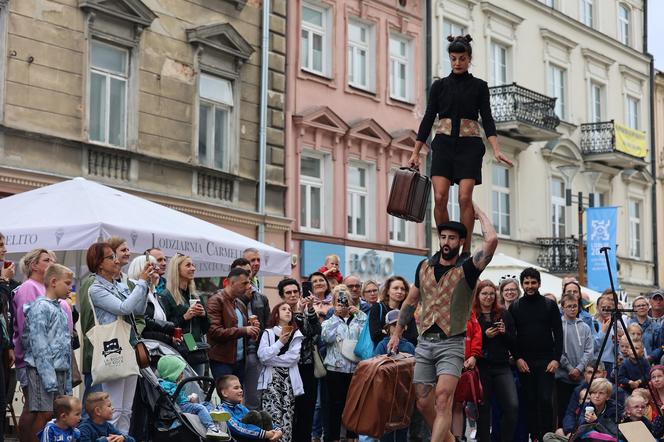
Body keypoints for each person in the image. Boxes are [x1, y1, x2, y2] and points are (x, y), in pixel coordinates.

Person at [388, 202, 497, 442]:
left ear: (460, 242)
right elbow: (410, 301)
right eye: (443, 237)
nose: (446, 242)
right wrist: (397, 332)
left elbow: (491, 242)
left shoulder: (467, 267)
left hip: (452, 343)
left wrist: (478, 213)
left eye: (452, 238)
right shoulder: (424, 266)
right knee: (423, 402)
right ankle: (448, 439)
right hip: (425, 342)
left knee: (443, 399)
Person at [409, 34, 511, 256]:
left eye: (462, 58)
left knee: (465, 198)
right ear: (449, 58)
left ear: (469, 58)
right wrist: (415, 152)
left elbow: (488, 118)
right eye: (453, 58)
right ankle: (445, 245)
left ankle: (464, 248)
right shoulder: (439, 86)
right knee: (439, 197)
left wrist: (496, 149)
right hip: (444, 144)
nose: (457, 63)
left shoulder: (479, 87)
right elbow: (427, 119)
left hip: (470, 146)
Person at [88, 242, 152, 433]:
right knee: (113, 408)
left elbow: (138, 309)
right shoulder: (96, 289)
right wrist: (140, 282)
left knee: (126, 409)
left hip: (129, 345)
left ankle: (122, 437)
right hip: (113, 346)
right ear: (99, 263)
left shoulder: (120, 285)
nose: (116, 260)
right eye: (110, 257)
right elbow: (123, 308)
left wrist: (145, 284)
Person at [14, 249, 73, 442]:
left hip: (59, 368)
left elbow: (64, 343)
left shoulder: (59, 307)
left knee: (53, 413)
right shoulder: (37, 303)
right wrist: (48, 377)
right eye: (67, 284)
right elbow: (37, 342)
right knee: (42, 413)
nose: (70, 289)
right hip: (41, 370)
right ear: (54, 282)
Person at [508, 267, 563, 441]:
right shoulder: (515, 307)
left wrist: (556, 359)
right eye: (526, 283)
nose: (530, 286)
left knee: (546, 400)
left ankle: (547, 436)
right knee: (530, 400)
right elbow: (511, 337)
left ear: (539, 283)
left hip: (547, 361)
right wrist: (518, 358)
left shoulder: (549, 305)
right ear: (522, 284)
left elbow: (559, 333)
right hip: (525, 362)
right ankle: (535, 436)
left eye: (533, 282)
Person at [472, 280, 518, 442]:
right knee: (483, 409)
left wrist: (504, 333)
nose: (488, 297)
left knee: (512, 406)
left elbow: (514, 342)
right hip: (481, 366)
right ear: (477, 295)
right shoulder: (473, 315)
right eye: (484, 293)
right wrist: (485, 336)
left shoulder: (503, 314)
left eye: (492, 293)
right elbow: (468, 342)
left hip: (502, 366)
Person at [276, 279, 321, 442]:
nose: (293, 295)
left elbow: (315, 332)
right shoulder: (280, 313)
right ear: (282, 295)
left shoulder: (307, 311)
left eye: (295, 291)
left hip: (307, 367)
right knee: (288, 411)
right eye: (288, 292)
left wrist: (308, 309)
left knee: (307, 410)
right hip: (287, 369)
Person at [321, 284, 368, 442]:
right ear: (334, 303)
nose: (343, 303)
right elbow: (326, 338)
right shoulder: (329, 321)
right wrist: (335, 317)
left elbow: (367, 336)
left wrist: (360, 315)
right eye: (339, 301)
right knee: (334, 406)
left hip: (355, 369)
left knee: (354, 406)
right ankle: (333, 437)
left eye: (346, 300)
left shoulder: (359, 319)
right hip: (335, 370)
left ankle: (352, 437)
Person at [257, 303, 304, 442]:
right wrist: (280, 343)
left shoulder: (296, 333)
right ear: (276, 314)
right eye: (284, 309)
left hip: (289, 382)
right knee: (271, 416)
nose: (288, 311)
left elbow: (293, 358)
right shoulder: (268, 332)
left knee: (287, 417)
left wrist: (272, 359)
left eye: (290, 310)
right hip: (271, 381)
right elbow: (262, 356)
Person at [230, 257, 271, 410]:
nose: (246, 277)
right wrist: (243, 299)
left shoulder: (260, 297)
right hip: (234, 352)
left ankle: (252, 430)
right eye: (241, 273)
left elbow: (268, 324)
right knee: (233, 397)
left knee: (254, 397)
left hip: (254, 351)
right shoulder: (227, 298)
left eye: (248, 272)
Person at [207, 267, 259, 383]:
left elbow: (242, 332)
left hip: (240, 361)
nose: (248, 286)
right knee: (227, 397)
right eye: (244, 283)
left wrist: (252, 332)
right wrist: (245, 330)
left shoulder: (239, 303)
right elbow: (215, 332)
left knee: (238, 397)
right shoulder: (216, 300)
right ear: (231, 283)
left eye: (249, 282)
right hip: (222, 361)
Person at [156, 355, 227, 439]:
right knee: (199, 408)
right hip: (179, 407)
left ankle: (212, 414)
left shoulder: (174, 383)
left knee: (206, 404)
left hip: (184, 403)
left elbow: (181, 396)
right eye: (180, 372)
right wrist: (180, 389)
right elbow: (173, 396)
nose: (182, 375)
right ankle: (211, 428)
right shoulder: (164, 384)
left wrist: (189, 398)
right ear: (172, 373)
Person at [161, 253, 209, 376]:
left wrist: (203, 315)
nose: (193, 268)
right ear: (177, 269)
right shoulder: (166, 296)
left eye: (193, 265)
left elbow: (205, 329)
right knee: (184, 387)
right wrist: (184, 317)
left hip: (195, 347)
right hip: (177, 349)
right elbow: (164, 326)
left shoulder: (195, 296)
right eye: (188, 265)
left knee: (197, 386)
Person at [555, 294, 593, 427]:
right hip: (563, 377)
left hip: (581, 377)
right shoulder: (557, 326)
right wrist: (570, 368)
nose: (572, 309)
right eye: (569, 306)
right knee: (563, 409)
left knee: (581, 409)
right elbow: (556, 350)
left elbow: (589, 350)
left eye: (575, 306)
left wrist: (579, 368)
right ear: (563, 307)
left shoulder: (585, 327)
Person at [216, 375, 283, 441]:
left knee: (263, 415)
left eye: (240, 387)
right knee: (254, 415)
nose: (241, 390)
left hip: (256, 436)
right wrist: (265, 434)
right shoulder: (222, 411)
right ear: (224, 393)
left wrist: (277, 431)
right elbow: (237, 428)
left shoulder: (240, 407)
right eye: (236, 388)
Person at [127, 255, 175, 345]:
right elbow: (142, 322)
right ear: (141, 268)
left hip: (160, 345)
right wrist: (170, 328)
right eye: (153, 265)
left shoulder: (154, 293)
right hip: (145, 347)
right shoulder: (133, 290)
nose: (157, 268)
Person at [451, 310, 482, 440]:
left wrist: (474, 355)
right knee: (443, 403)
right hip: (445, 362)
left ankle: (457, 438)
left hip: (465, 365)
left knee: (458, 404)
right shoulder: (438, 308)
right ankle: (444, 437)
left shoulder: (469, 312)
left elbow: (477, 334)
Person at [0, 232, 18, 442]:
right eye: (0, 245)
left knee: (2, 402)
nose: (4, 249)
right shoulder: (3, 279)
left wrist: (8, 346)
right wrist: (4, 281)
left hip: (3, 349)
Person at [368, 276, 417, 348]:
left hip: (405, 354)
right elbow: (375, 335)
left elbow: (414, 337)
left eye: (402, 289)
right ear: (387, 291)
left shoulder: (407, 311)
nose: (399, 291)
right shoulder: (377, 307)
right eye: (395, 288)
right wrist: (400, 335)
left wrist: (386, 332)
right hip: (382, 353)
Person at [629, 295, 662, 364]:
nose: (641, 307)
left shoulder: (656, 326)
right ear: (634, 308)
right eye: (638, 306)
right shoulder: (628, 324)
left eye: (643, 305)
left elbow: (661, 346)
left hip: (649, 363)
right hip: (630, 362)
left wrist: (651, 357)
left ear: (648, 307)